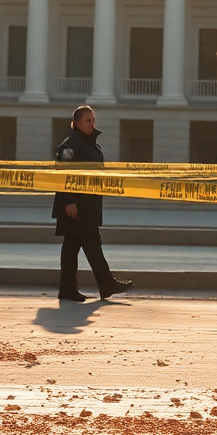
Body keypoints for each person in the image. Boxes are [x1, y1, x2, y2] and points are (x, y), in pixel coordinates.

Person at [51, 106, 132, 302]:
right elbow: (64, 173)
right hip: (75, 205)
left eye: (93, 119)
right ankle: (105, 284)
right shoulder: (70, 145)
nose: (92, 124)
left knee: (73, 247)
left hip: (88, 204)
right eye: (88, 120)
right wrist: (69, 200)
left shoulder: (89, 143)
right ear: (77, 122)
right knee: (91, 244)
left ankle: (69, 289)